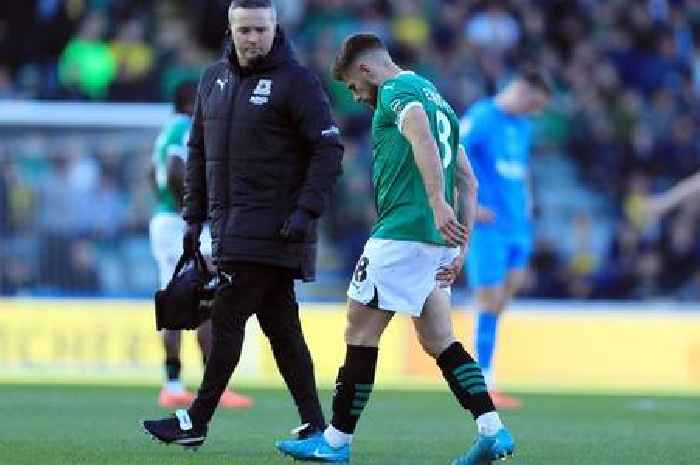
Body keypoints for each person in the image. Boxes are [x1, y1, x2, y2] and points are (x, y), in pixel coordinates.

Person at [276, 33, 514, 465]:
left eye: (352, 86)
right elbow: (470, 180)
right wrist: (460, 245)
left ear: (365, 69)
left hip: (401, 233)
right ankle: (492, 429)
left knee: (359, 332)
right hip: (436, 241)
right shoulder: (436, 96)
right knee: (439, 339)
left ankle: (335, 442)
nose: (356, 95)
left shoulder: (396, 92)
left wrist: (437, 202)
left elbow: (419, 131)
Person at [142, 0, 343, 449]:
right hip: (230, 228)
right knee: (283, 328)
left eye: (260, 29)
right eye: (244, 29)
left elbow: (329, 149)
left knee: (228, 316)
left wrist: (306, 210)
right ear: (231, 30)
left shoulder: (296, 81)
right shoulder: (214, 80)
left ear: (275, 27)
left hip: (275, 229)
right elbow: (197, 151)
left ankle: (195, 423)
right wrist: (193, 215)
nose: (252, 38)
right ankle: (317, 426)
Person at [149, 80, 252, 409]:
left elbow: (153, 173)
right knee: (190, 297)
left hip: (170, 220)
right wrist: (195, 210)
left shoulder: (169, 130)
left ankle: (196, 383)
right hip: (179, 224)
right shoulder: (183, 127)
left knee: (195, 297)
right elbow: (176, 169)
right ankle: (182, 384)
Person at [459, 66, 551, 409]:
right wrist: (468, 203)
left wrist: (527, 206)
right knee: (488, 300)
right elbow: (449, 154)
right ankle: (481, 381)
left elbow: (520, 170)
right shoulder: (482, 117)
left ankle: (484, 372)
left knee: (500, 303)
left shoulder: (523, 126)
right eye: (534, 104)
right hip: (488, 226)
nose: (535, 112)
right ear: (522, 92)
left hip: (518, 227)